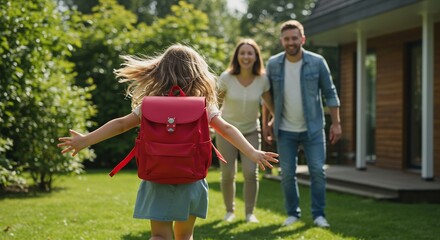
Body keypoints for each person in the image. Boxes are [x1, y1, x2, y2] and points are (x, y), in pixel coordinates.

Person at [57, 44, 279, 240]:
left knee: (159, 235)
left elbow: (122, 124)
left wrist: (86, 139)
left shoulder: (150, 105)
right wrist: (252, 152)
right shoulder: (203, 105)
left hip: (157, 176)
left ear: (161, 71)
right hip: (190, 178)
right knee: (185, 236)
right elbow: (227, 129)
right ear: (197, 73)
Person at [263, 20, 341, 228]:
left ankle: (318, 214)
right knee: (287, 173)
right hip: (285, 129)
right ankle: (293, 213)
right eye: (287, 39)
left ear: (302, 39)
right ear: (282, 41)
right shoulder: (273, 64)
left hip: (313, 129)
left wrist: (336, 123)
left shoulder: (317, 62)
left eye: (295, 38)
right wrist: (267, 122)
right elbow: (266, 95)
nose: (291, 42)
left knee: (317, 170)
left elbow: (330, 92)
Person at [216, 39, 274, 223]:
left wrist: (272, 122)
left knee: (251, 172)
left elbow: (269, 105)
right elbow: (215, 104)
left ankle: (250, 213)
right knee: (228, 173)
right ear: (237, 56)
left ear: (256, 56)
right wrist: (211, 125)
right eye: (242, 53)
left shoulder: (262, 79)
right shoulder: (226, 77)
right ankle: (229, 211)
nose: (246, 57)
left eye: (250, 53)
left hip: (250, 131)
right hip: (226, 131)